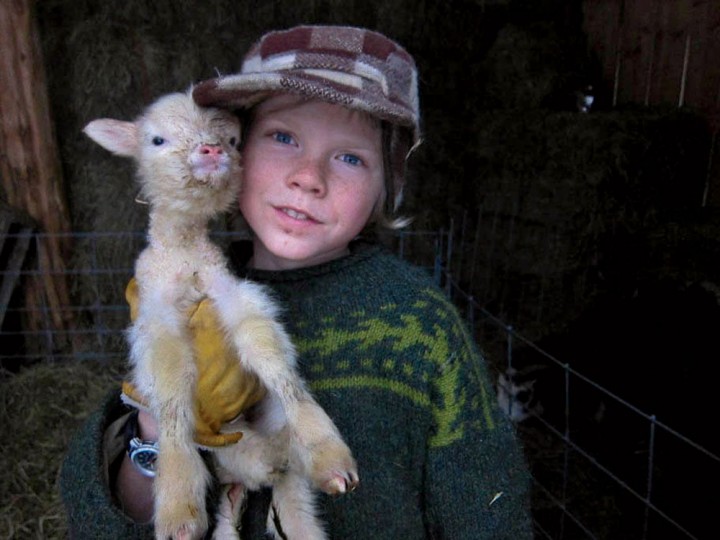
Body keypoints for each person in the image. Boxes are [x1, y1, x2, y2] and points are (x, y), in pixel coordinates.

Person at [61, 24, 533, 538]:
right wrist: (153, 426)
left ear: (385, 189)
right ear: (233, 147)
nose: (309, 176)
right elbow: (99, 517)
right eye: (283, 138)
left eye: (350, 157)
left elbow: (488, 501)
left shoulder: (417, 321)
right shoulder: (187, 296)